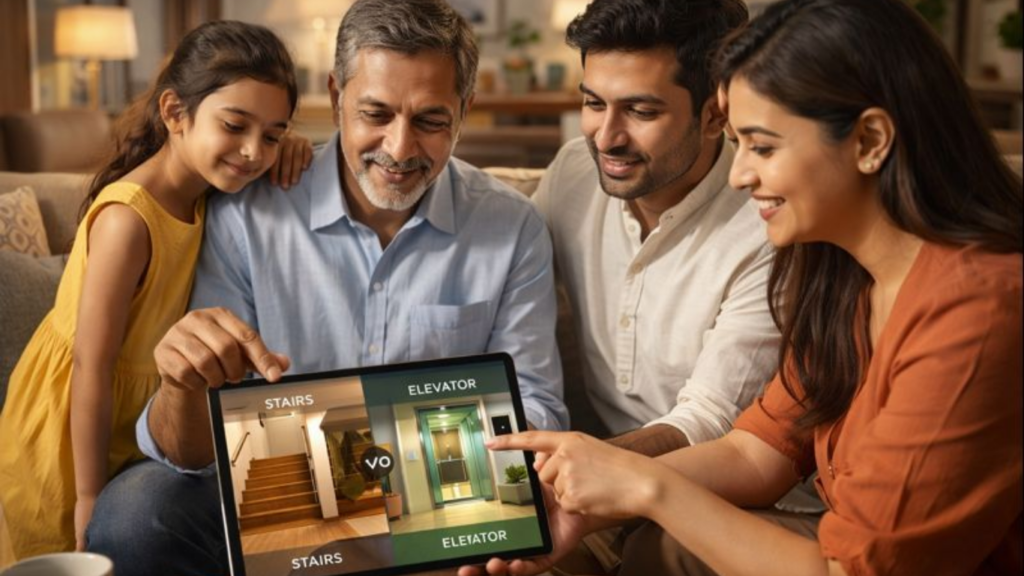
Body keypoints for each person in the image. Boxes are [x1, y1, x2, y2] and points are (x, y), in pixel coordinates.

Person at [466, 0, 1023, 574]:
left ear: (869, 141)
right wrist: (583, 501)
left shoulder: (978, 310)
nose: (739, 173)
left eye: (763, 146)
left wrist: (649, 490)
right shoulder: (845, 277)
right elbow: (757, 451)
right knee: (657, 551)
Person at [85, 1, 567, 575]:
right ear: (337, 96)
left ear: (465, 110)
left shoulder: (513, 228)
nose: (399, 148)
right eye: (375, 113)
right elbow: (189, 451)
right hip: (271, 492)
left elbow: (537, 409)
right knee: (135, 512)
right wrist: (181, 385)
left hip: (438, 498)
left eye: (431, 121)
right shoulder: (246, 211)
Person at [531, 1, 819, 572]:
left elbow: (708, 419)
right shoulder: (573, 174)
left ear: (715, 114)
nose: (606, 137)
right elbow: (497, 267)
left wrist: (571, 478)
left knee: (657, 553)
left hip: (734, 496)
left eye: (640, 110)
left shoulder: (769, 224)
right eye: (593, 103)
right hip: (608, 484)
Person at [0, 20, 298, 559]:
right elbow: (91, 365)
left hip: (135, 416)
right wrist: (87, 495)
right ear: (174, 113)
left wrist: (292, 146)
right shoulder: (128, 219)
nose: (255, 151)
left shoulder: (209, 188)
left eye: (272, 135)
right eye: (235, 125)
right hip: (71, 430)